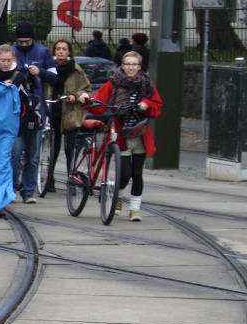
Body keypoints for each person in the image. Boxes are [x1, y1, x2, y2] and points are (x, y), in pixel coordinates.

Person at [82, 51, 162, 221]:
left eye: (134, 64)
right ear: (122, 66)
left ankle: (134, 210)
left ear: (140, 67)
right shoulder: (114, 83)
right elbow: (100, 103)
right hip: (121, 135)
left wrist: (146, 104)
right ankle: (117, 199)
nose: (130, 67)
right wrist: (87, 98)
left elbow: (157, 106)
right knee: (125, 174)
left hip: (140, 133)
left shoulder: (147, 84)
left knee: (137, 174)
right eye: (127, 64)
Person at [0, 45, 35, 201]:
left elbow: (24, 102)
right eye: (3, 60)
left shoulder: (18, 77)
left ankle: (11, 187)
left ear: (13, 60)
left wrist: (24, 122)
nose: (6, 64)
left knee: (14, 155)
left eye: (8, 60)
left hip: (12, 125)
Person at [42, 40, 92, 193]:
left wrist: (75, 96)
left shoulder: (76, 70)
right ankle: (50, 179)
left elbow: (86, 89)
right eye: (58, 49)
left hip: (70, 114)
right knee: (53, 148)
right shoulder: (49, 68)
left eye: (64, 49)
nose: (61, 52)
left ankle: (72, 180)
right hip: (53, 112)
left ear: (69, 52)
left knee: (70, 148)